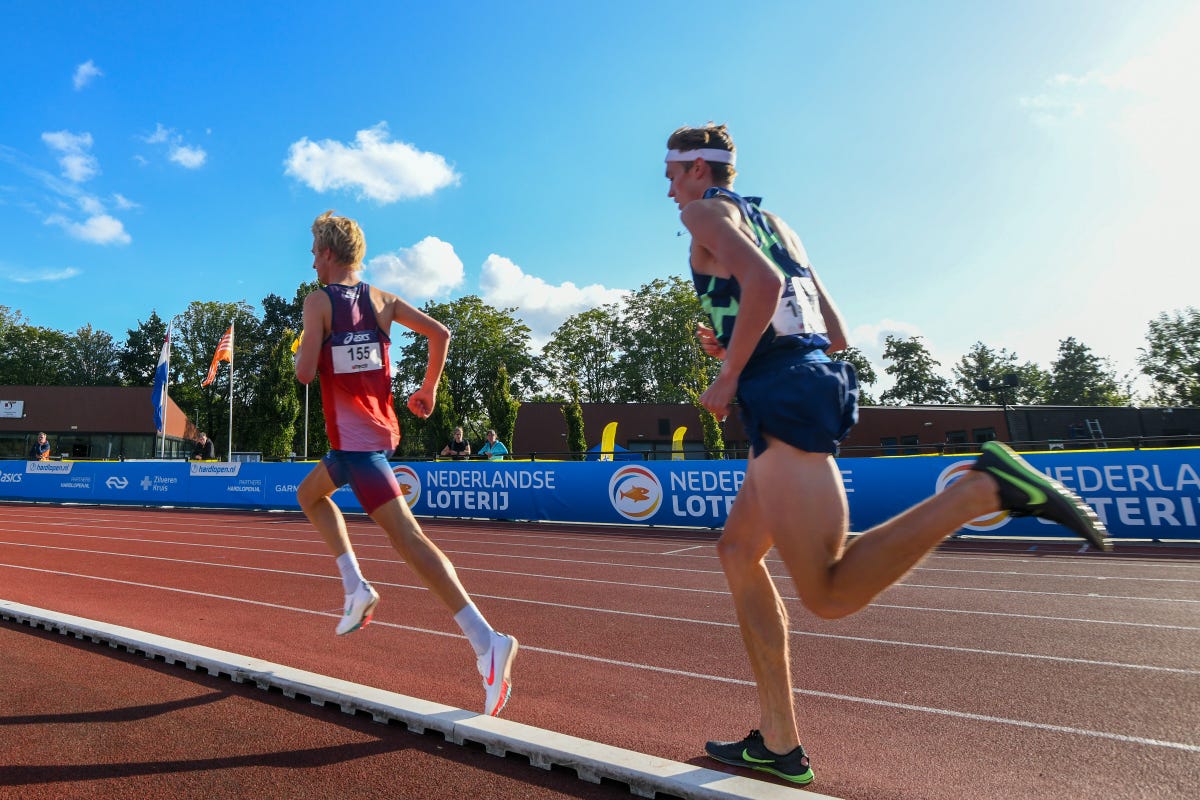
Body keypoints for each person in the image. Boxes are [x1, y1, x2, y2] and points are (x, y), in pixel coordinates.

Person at [663, 124, 1109, 786]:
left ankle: (979, 490)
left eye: (672, 174)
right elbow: (832, 331)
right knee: (737, 552)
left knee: (831, 592)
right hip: (801, 381)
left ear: (700, 168)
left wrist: (728, 372)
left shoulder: (706, 211)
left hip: (782, 394)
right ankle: (779, 743)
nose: (668, 191)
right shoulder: (779, 223)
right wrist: (735, 339)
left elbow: (757, 284)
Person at [294, 210, 517, 717]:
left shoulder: (317, 301)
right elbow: (441, 334)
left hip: (358, 445)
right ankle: (356, 588)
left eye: (313, 251)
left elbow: (305, 373)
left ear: (328, 253)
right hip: (368, 438)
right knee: (309, 494)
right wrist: (428, 389)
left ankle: (487, 642)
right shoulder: (384, 300)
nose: (311, 260)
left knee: (410, 540)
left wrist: (306, 348)